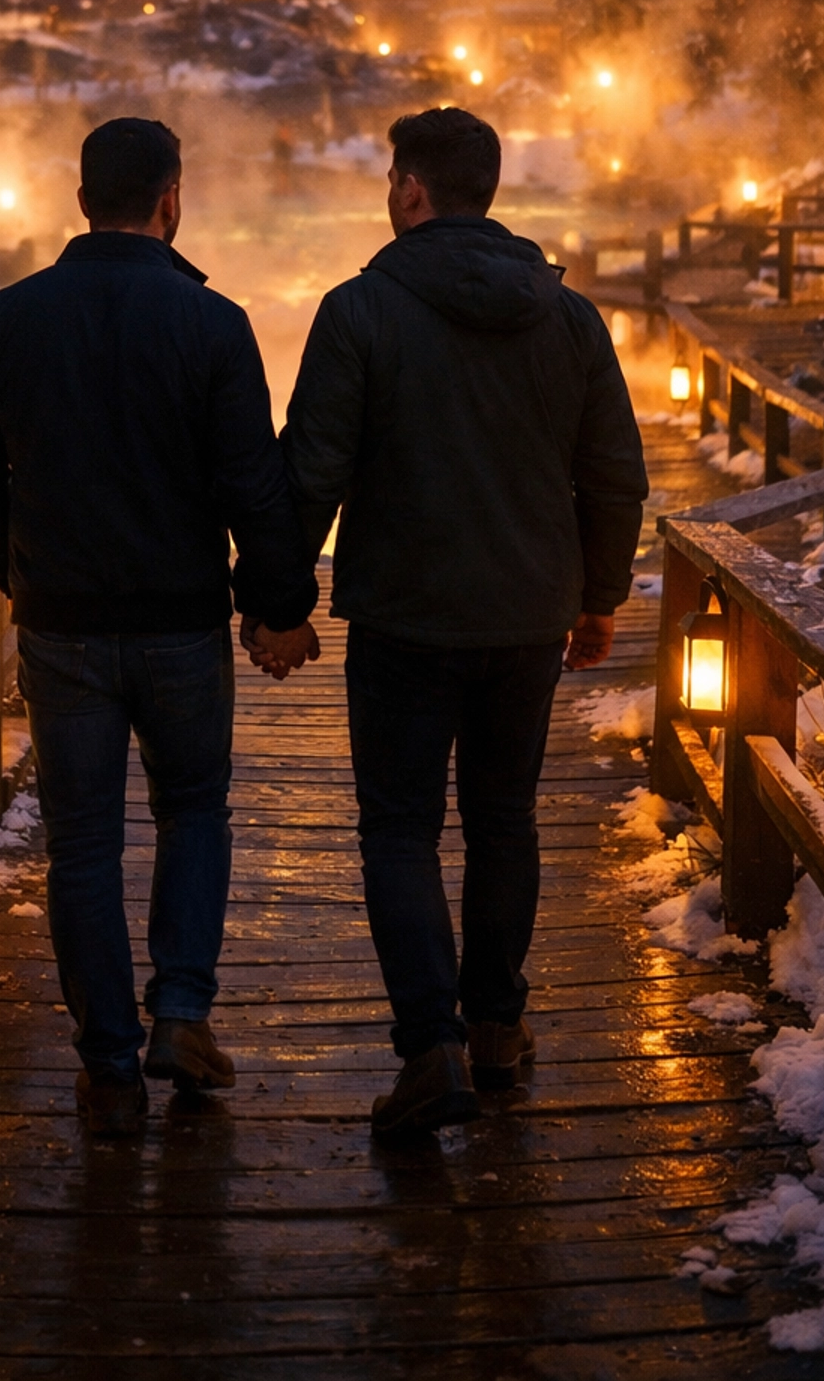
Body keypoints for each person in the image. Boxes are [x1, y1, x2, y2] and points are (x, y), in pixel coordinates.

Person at [0, 117, 319, 1136]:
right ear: (172, 199)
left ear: (80, 203)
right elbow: (253, 484)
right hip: (179, 621)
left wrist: (12, 570)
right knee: (194, 813)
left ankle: (108, 1058)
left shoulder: (7, 318)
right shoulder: (212, 323)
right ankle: (182, 1012)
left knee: (82, 844)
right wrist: (277, 605)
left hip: (62, 623)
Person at [279, 107, 647, 1139]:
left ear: (413, 190)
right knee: (504, 819)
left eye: (392, 177)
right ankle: (494, 1030)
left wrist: (277, 601)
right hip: (528, 615)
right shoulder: (567, 317)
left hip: (404, 614)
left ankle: (429, 1048)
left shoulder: (361, 311)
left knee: (400, 830)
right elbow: (615, 473)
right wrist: (599, 597)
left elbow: (312, 471)